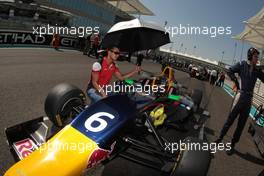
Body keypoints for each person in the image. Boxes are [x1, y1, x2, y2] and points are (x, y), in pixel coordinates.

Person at [215, 47, 264, 155]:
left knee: (241, 125)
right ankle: (219, 138)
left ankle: (232, 145)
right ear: (250, 56)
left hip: (249, 100)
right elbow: (230, 71)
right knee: (230, 120)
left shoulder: (257, 70)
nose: (257, 59)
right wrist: (236, 82)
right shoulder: (242, 65)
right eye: (256, 56)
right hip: (240, 97)